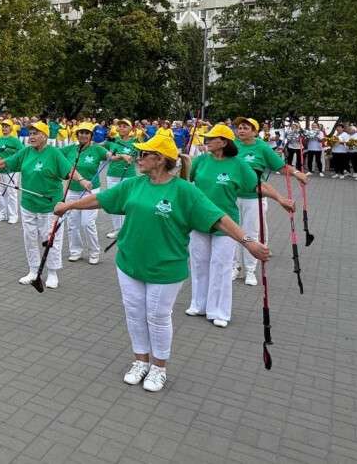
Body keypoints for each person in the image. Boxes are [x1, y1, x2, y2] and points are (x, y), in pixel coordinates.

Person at [53, 133, 270, 392]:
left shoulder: (184, 190)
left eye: (143, 154)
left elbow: (220, 218)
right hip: (129, 263)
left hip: (165, 267)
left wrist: (248, 242)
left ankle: (159, 367)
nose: (138, 158)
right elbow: (102, 198)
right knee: (134, 313)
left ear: (160, 159)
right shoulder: (134, 184)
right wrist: (69, 206)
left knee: (157, 316)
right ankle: (140, 361)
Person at [187, 124, 293, 327]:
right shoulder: (200, 161)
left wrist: (280, 198)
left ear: (224, 142)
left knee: (221, 266)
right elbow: (183, 181)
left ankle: (219, 311)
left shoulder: (239, 165)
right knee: (199, 264)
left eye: (211, 138)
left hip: (226, 223)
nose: (207, 141)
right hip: (199, 220)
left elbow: (257, 185)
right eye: (206, 138)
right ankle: (198, 304)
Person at [0, 120, 72, 288]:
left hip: (50, 205)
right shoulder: (26, 152)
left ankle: (52, 272)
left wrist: (81, 180)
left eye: (35, 133)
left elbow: (69, 172)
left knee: (49, 239)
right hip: (28, 204)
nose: (32, 137)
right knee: (29, 238)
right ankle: (33, 270)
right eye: (30, 134)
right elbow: (8, 164)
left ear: (44, 136)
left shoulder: (54, 153)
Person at [233, 117, 308, 285]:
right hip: (233, 196)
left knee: (251, 233)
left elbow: (281, 166)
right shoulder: (233, 146)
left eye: (246, 128)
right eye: (239, 128)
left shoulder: (262, 148)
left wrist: (297, 174)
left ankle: (251, 270)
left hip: (255, 198)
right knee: (234, 233)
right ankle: (235, 267)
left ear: (254, 131)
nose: (241, 130)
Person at [61, 122, 111, 264]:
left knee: (87, 223)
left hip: (91, 191)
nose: (83, 135)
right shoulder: (70, 149)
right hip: (72, 190)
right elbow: (53, 155)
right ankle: (75, 251)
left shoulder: (97, 150)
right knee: (72, 223)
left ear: (91, 135)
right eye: (81, 132)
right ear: (77, 135)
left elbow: (110, 156)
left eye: (86, 133)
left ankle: (94, 252)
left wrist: (117, 154)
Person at [104, 119, 138, 240]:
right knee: (114, 202)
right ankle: (117, 229)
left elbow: (139, 157)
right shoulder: (114, 141)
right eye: (120, 126)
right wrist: (121, 156)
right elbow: (108, 156)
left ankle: (127, 229)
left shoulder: (136, 142)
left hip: (129, 175)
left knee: (127, 203)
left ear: (131, 129)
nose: (122, 128)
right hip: (112, 175)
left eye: (125, 126)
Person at [0, 119, 23, 224]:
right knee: (0, 193)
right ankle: (2, 214)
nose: (4, 128)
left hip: (11, 171)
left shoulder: (15, 141)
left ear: (11, 128)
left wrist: (10, 160)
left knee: (11, 193)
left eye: (7, 126)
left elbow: (21, 153)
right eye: (3, 126)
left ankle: (13, 216)